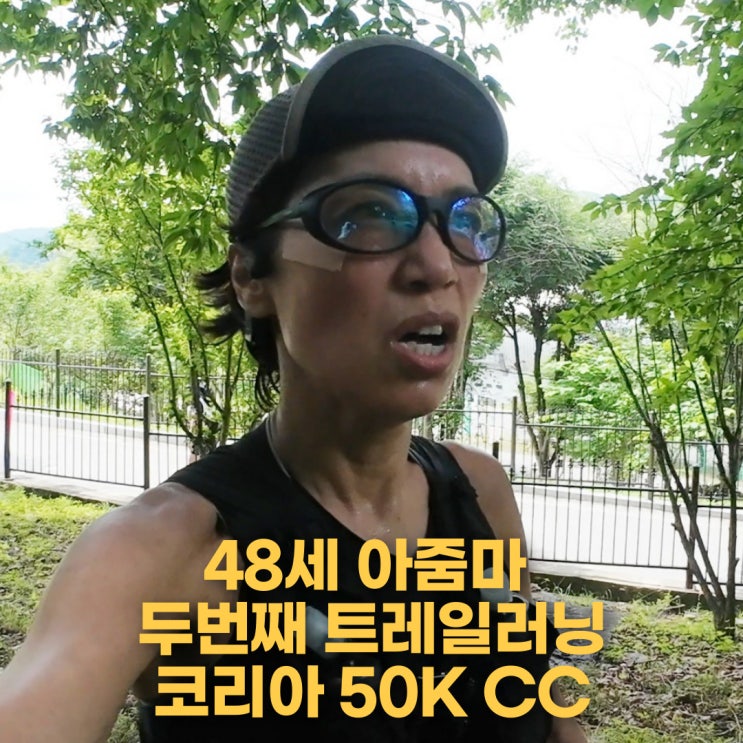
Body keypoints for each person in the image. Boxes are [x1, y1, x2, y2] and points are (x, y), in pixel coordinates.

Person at [0, 34, 589, 743]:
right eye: (369, 214)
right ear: (252, 277)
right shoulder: (162, 551)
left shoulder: (480, 492)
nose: (437, 266)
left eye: (463, 220)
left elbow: (545, 710)